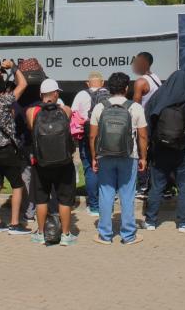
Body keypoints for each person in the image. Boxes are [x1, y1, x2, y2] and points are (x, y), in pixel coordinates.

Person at [89, 72, 149, 245]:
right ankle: (128, 235)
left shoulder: (100, 107)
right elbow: (143, 136)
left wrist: (94, 157)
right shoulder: (135, 107)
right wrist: (143, 158)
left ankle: (105, 235)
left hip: (104, 155)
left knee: (106, 194)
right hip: (129, 156)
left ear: (108, 88)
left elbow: (93, 136)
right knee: (127, 195)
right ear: (126, 88)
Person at [143, 71, 185, 233]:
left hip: (160, 149)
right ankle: (183, 223)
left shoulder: (157, 99)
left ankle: (150, 221)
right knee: (184, 186)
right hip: (183, 149)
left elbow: (148, 122)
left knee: (157, 186)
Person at [26, 79, 78, 246]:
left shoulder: (31, 112)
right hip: (64, 163)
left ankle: (40, 233)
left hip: (40, 163)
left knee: (41, 199)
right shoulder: (66, 111)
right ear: (56, 94)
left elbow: (32, 130)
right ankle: (66, 235)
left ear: (41, 95)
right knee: (64, 200)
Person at [0, 60, 31, 235]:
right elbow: (23, 84)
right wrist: (13, 67)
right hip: (6, 148)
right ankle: (14, 223)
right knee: (17, 185)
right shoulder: (4, 101)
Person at [70, 71, 108, 216]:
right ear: (102, 82)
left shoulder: (81, 94)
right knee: (106, 169)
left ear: (87, 83)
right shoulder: (109, 95)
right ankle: (106, 204)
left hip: (86, 136)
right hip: (106, 136)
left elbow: (73, 114)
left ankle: (94, 206)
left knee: (89, 168)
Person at [131, 52, 161, 199]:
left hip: (143, 123)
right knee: (152, 154)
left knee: (141, 154)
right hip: (155, 121)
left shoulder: (140, 82)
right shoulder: (156, 78)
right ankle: (152, 185)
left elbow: (135, 107)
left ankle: (143, 186)